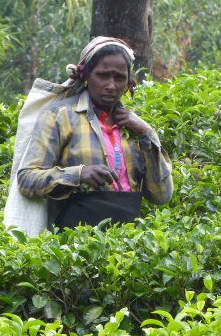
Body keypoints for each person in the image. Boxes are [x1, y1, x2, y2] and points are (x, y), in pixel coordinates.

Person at [17, 36, 173, 229]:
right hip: (76, 242)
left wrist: (147, 134)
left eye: (119, 77)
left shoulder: (135, 128)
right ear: (85, 76)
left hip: (129, 243)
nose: (111, 85)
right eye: (103, 75)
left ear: (129, 83)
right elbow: (27, 179)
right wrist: (78, 174)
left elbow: (162, 195)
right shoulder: (60, 116)